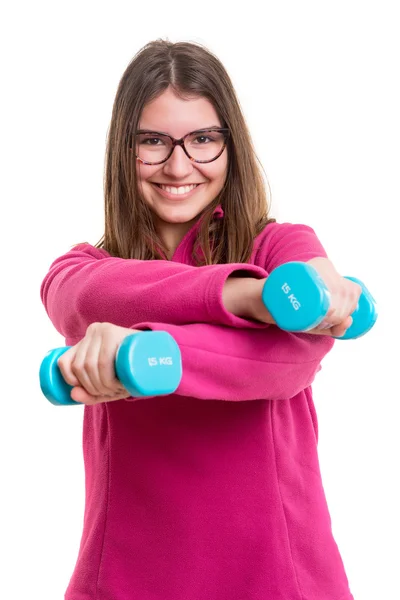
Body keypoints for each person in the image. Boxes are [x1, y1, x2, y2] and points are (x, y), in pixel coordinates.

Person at [40, 39, 361, 600]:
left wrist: (146, 351)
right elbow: (82, 296)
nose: (178, 165)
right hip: (126, 578)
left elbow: (287, 357)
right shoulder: (84, 268)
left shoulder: (278, 248)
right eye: (153, 142)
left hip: (278, 580)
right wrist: (241, 297)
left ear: (230, 146)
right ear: (124, 150)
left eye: (203, 140)